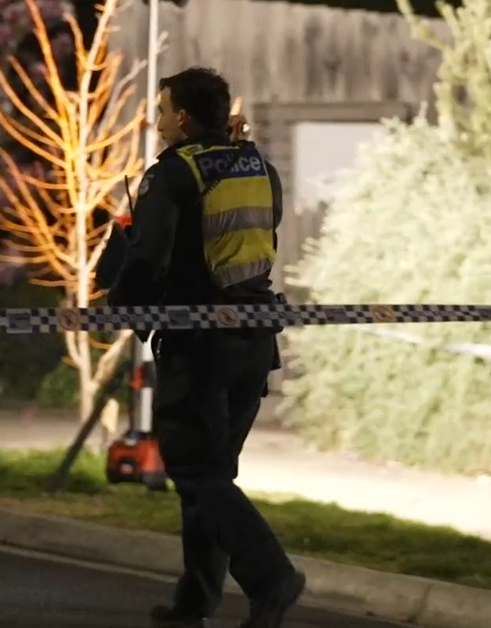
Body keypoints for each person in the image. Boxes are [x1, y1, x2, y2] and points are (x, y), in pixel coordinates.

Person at [102, 67, 305, 628]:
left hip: (198, 345)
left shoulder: (173, 174)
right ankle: (194, 603)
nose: (159, 121)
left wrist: (119, 304)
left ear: (185, 117)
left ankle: (272, 577)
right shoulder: (260, 169)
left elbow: (148, 260)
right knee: (212, 475)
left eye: (163, 111)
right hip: (254, 340)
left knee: (195, 471)